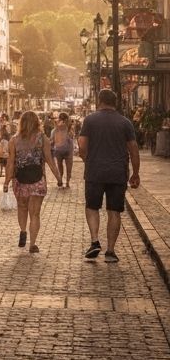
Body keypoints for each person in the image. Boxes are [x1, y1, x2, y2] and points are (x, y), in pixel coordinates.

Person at [78, 88, 141, 263]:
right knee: (114, 211)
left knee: (92, 207)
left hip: (95, 172)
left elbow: (82, 145)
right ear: (116, 103)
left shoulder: (90, 120)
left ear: (99, 101)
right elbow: (134, 150)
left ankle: (94, 241)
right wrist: (135, 173)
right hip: (117, 173)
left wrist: (87, 160)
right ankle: (111, 251)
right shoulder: (125, 122)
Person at [3, 110, 59, 253]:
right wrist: (59, 177)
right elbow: (49, 160)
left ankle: (23, 231)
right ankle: (32, 243)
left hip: (20, 181)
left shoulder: (13, 140)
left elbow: (10, 163)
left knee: (22, 207)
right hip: (37, 180)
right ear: (37, 123)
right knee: (35, 213)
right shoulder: (43, 139)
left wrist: (6, 181)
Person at [50, 111, 75, 189]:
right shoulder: (69, 128)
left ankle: (60, 179)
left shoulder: (55, 129)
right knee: (69, 167)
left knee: (60, 166)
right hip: (68, 150)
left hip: (58, 150)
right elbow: (71, 137)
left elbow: (52, 141)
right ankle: (67, 182)